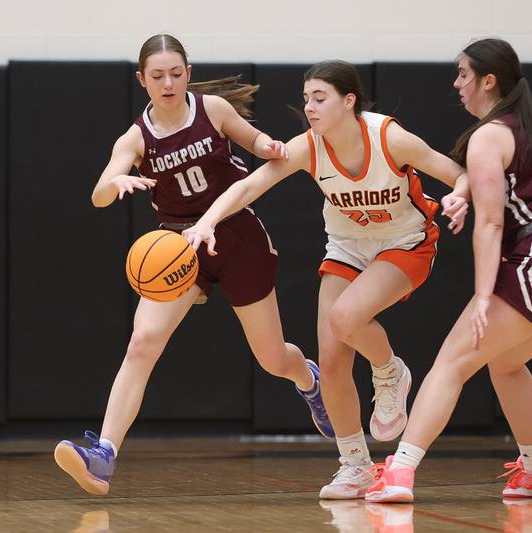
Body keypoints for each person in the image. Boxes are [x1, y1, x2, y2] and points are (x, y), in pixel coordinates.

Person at [54, 33, 332, 496]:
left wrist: (269, 145)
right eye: (157, 76)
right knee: (142, 342)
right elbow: (99, 195)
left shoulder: (212, 110)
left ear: (188, 73)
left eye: (176, 73)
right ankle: (103, 453)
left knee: (272, 358)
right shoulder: (136, 138)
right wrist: (115, 182)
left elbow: (254, 140)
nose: (168, 83)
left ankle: (308, 379)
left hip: (235, 234)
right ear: (141, 79)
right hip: (178, 246)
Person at [182, 60, 470, 499]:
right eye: (306, 99)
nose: (309, 107)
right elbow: (249, 186)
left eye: (320, 98)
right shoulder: (308, 147)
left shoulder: (389, 138)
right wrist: (207, 221)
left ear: (349, 100)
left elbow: (456, 173)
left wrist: (460, 196)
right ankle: (356, 465)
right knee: (332, 362)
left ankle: (389, 371)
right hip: (347, 247)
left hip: (405, 241)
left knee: (346, 317)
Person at [365, 37, 532, 502]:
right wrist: (467, 194)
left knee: (452, 361)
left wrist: (483, 296)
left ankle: (399, 472)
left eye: (463, 74)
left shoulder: (487, 135)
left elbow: (493, 222)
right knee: (505, 362)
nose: (457, 84)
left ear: (488, 80)